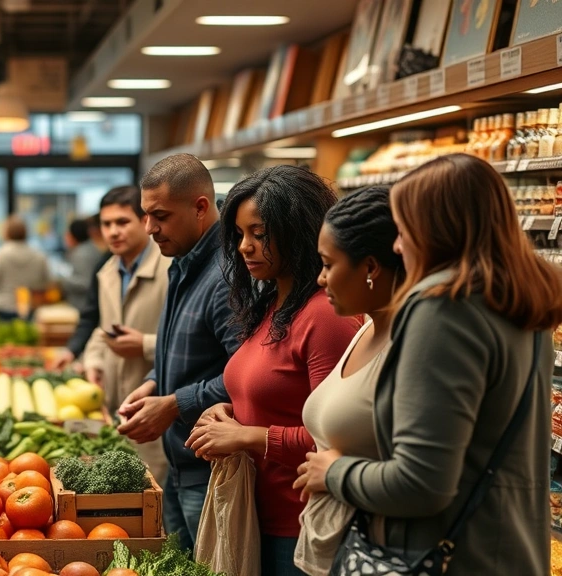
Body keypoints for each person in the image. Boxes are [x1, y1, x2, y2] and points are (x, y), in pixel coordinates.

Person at [295, 154, 562, 575]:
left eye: (403, 231)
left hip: (445, 558)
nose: (398, 247)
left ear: (437, 230)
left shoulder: (442, 309)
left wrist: (335, 472)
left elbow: (421, 484)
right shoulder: (521, 304)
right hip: (509, 550)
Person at [187, 165, 358, 576]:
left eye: (260, 234)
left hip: (298, 527)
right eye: (241, 235)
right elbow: (275, 398)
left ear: (298, 230)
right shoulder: (272, 306)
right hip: (256, 516)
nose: (246, 247)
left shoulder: (324, 316)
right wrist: (227, 413)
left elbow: (341, 443)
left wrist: (246, 436)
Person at [115, 153, 240, 551]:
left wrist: (173, 403)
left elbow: (248, 378)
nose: (149, 228)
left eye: (161, 216)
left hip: (211, 473)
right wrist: (155, 383)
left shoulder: (227, 277)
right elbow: (184, 348)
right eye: (146, 214)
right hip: (179, 467)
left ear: (200, 207)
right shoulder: (182, 263)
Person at [292, 186, 404, 576]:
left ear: (371, 268)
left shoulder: (409, 347)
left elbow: (423, 473)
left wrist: (336, 473)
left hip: (378, 555)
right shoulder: (365, 326)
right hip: (334, 549)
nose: (321, 279)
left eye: (328, 264)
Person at [80, 186, 170, 486]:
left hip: (159, 413)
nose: (113, 232)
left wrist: (143, 345)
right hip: (116, 407)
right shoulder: (106, 272)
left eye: (122, 222)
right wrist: (92, 361)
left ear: (145, 221)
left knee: (158, 508)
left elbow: (192, 342)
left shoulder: (170, 268)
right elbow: (102, 329)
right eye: (107, 224)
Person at [0, 215, 52, 320]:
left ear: (6, 233)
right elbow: (46, 283)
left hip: (1, 308)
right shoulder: (39, 256)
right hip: (30, 310)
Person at [61, 217, 106, 309]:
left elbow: (86, 283)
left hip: (82, 306)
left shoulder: (81, 254)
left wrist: (63, 279)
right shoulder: (90, 248)